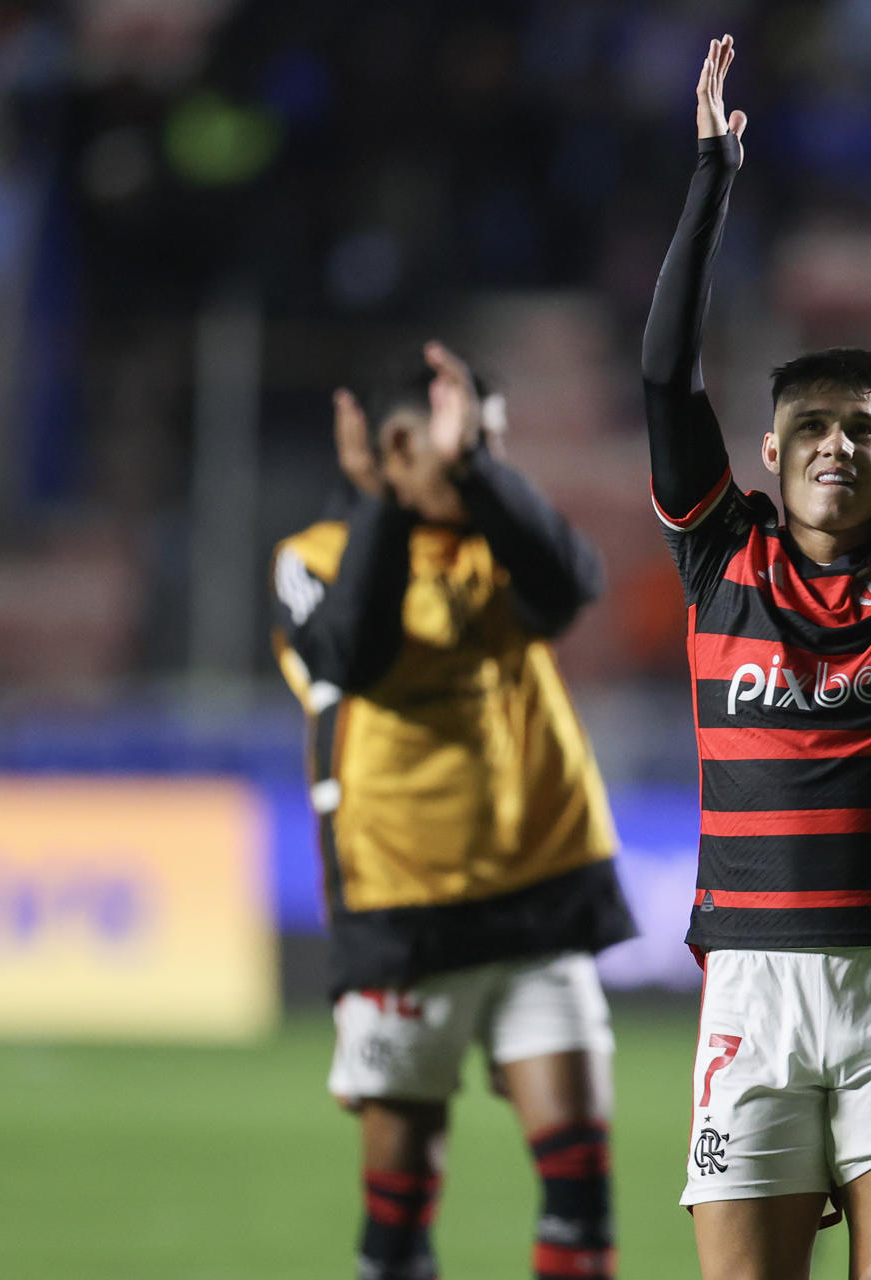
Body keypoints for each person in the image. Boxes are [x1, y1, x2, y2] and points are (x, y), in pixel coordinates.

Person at [640, 35, 871, 1280]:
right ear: (768, 450)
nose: (836, 445)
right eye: (811, 426)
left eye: (863, 427)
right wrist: (713, 178)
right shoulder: (719, 553)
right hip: (753, 986)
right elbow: (661, 372)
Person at [271, 342, 634, 1280]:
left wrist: (474, 473)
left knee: (582, 1195)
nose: (486, 464)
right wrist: (388, 505)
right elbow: (354, 656)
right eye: (467, 444)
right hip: (405, 910)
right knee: (399, 1212)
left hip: (538, 897)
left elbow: (573, 585)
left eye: (494, 446)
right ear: (398, 447)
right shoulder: (311, 561)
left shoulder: (499, 542)